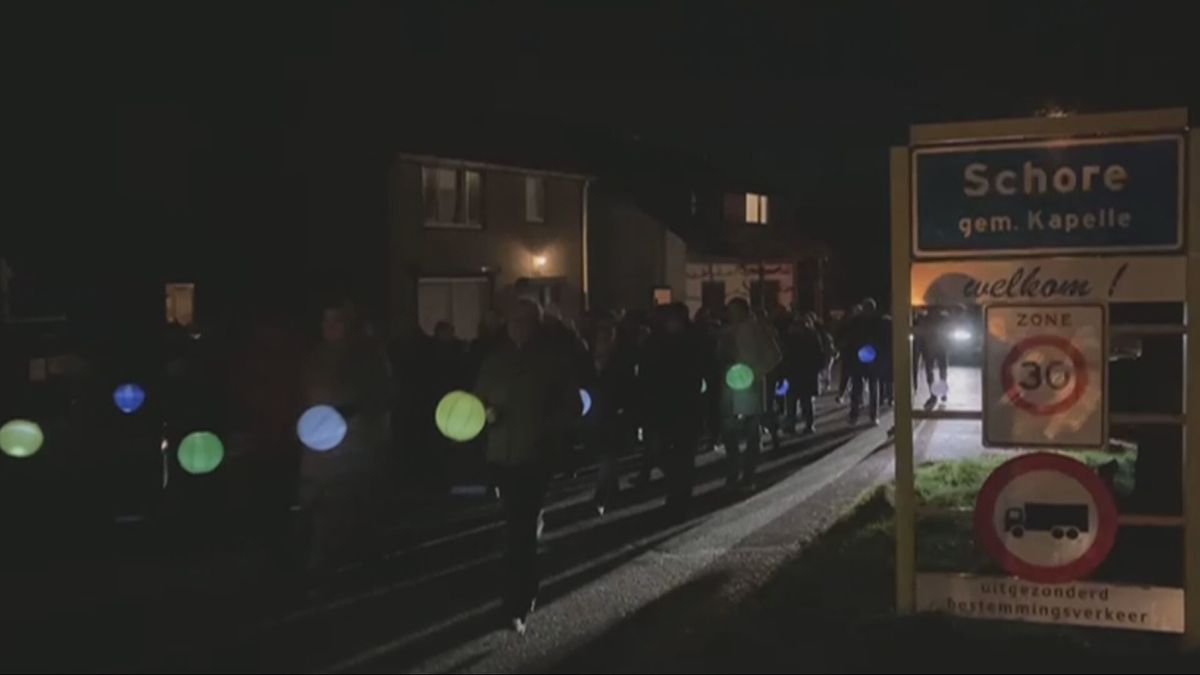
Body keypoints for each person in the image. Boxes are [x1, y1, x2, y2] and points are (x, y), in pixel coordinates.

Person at [475, 298, 578, 633]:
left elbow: (571, 406)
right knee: (516, 525)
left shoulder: (551, 362)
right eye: (512, 321)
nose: (517, 327)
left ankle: (518, 600)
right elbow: (478, 401)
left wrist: (544, 426)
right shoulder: (494, 361)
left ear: (535, 325)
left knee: (520, 529)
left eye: (524, 321)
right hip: (501, 454)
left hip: (534, 456)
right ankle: (519, 590)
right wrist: (485, 415)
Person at [300, 299, 393, 577]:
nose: (329, 328)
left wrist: (353, 411)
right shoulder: (316, 358)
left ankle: (366, 560)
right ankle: (322, 562)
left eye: (336, 322)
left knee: (358, 503)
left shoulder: (368, 357)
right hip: (320, 446)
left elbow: (383, 395)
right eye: (326, 322)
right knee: (321, 503)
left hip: (358, 445)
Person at [642, 302, 706, 517]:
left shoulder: (694, 340)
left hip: (686, 404)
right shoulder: (655, 340)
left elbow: (701, 371)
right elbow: (646, 372)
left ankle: (680, 497)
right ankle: (677, 488)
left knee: (684, 453)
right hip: (662, 404)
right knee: (660, 451)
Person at [717, 298, 782, 488]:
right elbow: (719, 356)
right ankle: (733, 470)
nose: (731, 314)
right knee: (729, 430)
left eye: (734, 310)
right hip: (729, 385)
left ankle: (748, 472)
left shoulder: (759, 330)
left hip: (750, 385)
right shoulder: (726, 332)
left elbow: (775, 355)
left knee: (751, 430)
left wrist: (756, 372)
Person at [582, 315, 634, 515]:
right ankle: (612, 489)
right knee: (605, 456)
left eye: (607, 336)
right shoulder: (590, 358)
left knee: (608, 456)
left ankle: (601, 496)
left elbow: (626, 387)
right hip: (596, 412)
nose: (603, 340)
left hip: (613, 413)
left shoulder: (620, 359)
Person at [782, 311, 826, 434]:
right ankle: (808, 424)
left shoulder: (792, 337)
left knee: (793, 400)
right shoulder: (812, 335)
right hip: (806, 372)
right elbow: (819, 354)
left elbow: (785, 354)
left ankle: (793, 425)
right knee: (805, 400)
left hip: (796, 371)